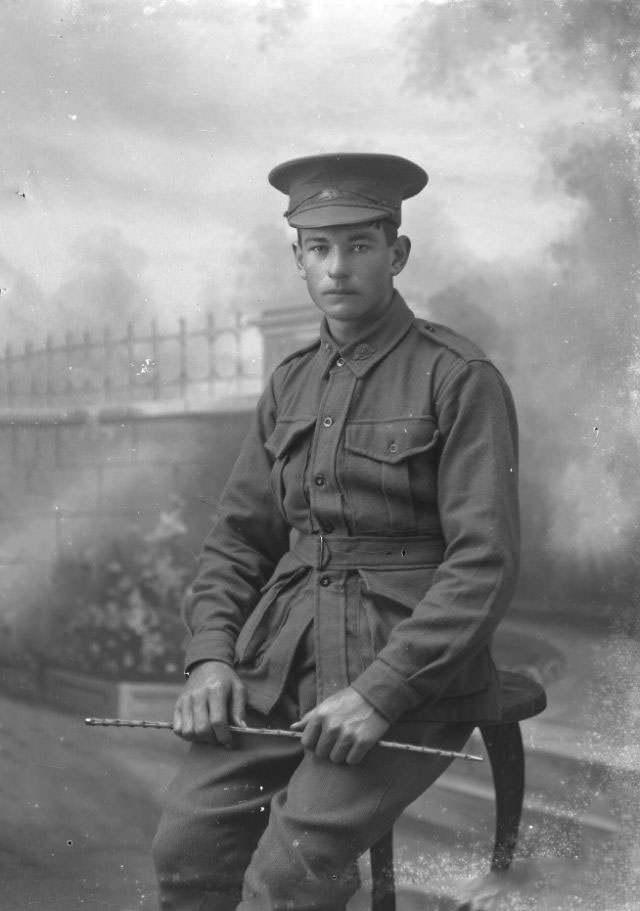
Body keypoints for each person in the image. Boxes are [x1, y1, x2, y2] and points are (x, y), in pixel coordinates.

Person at [152, 152, 520, 911]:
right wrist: (210, 659)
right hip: (279, 663)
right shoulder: (290, 382)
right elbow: (237, 540)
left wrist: (380, 695)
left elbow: (483, 561)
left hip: (408, 672)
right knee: (184, 851)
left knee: (289, 878)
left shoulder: (457, 376)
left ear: (398, 253)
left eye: (359, 244)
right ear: (297, 259)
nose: (338, 266)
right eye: (318, 248)